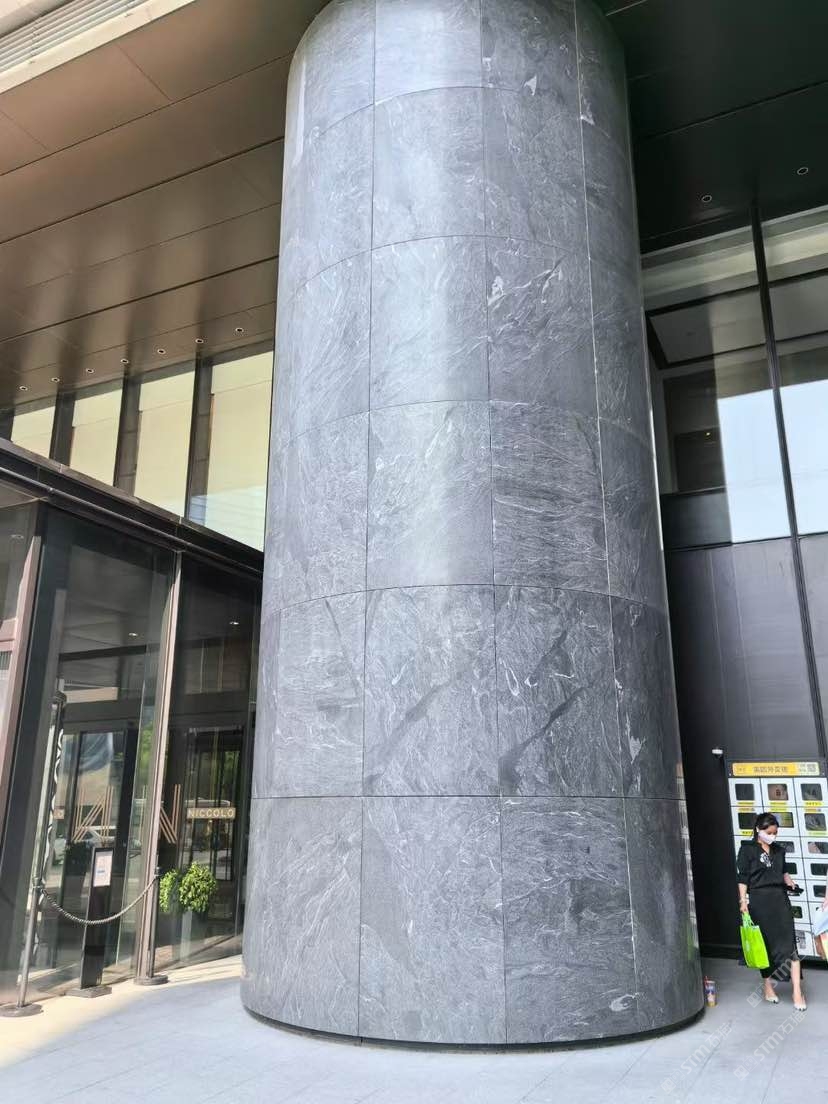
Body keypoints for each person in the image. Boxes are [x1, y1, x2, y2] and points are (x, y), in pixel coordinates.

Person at [737, 812, 806, 1009]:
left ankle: (797, 992)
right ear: (758, 830)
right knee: (765, 947)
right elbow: (743, 878)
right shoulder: (747, 850)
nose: (773, 836)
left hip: (780, 901)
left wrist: (791, 883)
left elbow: (784, 872)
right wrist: (743, 901)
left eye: (775, 832)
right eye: (769, 832)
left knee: (790, 946)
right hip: (759, 902)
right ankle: (768, 987)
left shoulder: (779, 850)